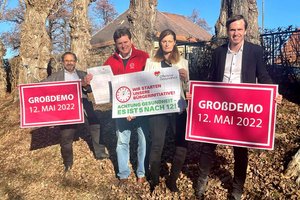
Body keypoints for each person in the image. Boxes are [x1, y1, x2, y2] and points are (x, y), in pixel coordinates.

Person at [195, 15, 282, 200]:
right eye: (232, 29)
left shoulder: (255, 51)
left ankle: (237, 188)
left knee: (240, 150)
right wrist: (198, 93)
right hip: (218, 106)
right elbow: (211, 79)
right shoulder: (218, 52)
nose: (236, 33)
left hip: (242, 108)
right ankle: (201, 181)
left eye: (239, 29)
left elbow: (263, 75)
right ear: (228, 31)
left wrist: (274, 92)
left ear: (245, 31)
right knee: (207, 146)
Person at [43, 52, 109, 172]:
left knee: (95, 125)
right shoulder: (56, 76)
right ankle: (68, 162)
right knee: (66, 136)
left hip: (83, 102)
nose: (69, 63)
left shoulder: (82, 74)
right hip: (67, 109)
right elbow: (41, 87)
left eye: (72, 60)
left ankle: (100, 153)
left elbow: (89, 89)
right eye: (67, 60)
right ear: (63, 62)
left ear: (75, 61)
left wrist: (85, 85)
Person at [144, 29, 189, 192]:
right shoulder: (151, 62)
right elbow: (145, 85)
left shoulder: (183, 62)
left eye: (170, 41)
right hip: (158, 109)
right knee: (157, 145)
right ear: (160, 43)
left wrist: (186, 80)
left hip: (178, 108)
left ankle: (173, 180)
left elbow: (187, 89)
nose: (167, 44)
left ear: (175, 42)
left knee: (182, 145)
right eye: (164, 41)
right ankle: (155, 180)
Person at [103, 27, 150, 185]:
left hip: (142, 107)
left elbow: (152, 81)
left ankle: (141, 172)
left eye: (125, 42)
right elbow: (102, 85)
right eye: (119, 43)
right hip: (121, 109)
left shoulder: (143, 57)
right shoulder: (110, 61)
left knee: (143, 140)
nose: (123, 46)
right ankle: (123, 174)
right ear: (115, 45)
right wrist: (90, 81)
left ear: (131, 41)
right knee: (122, 142)